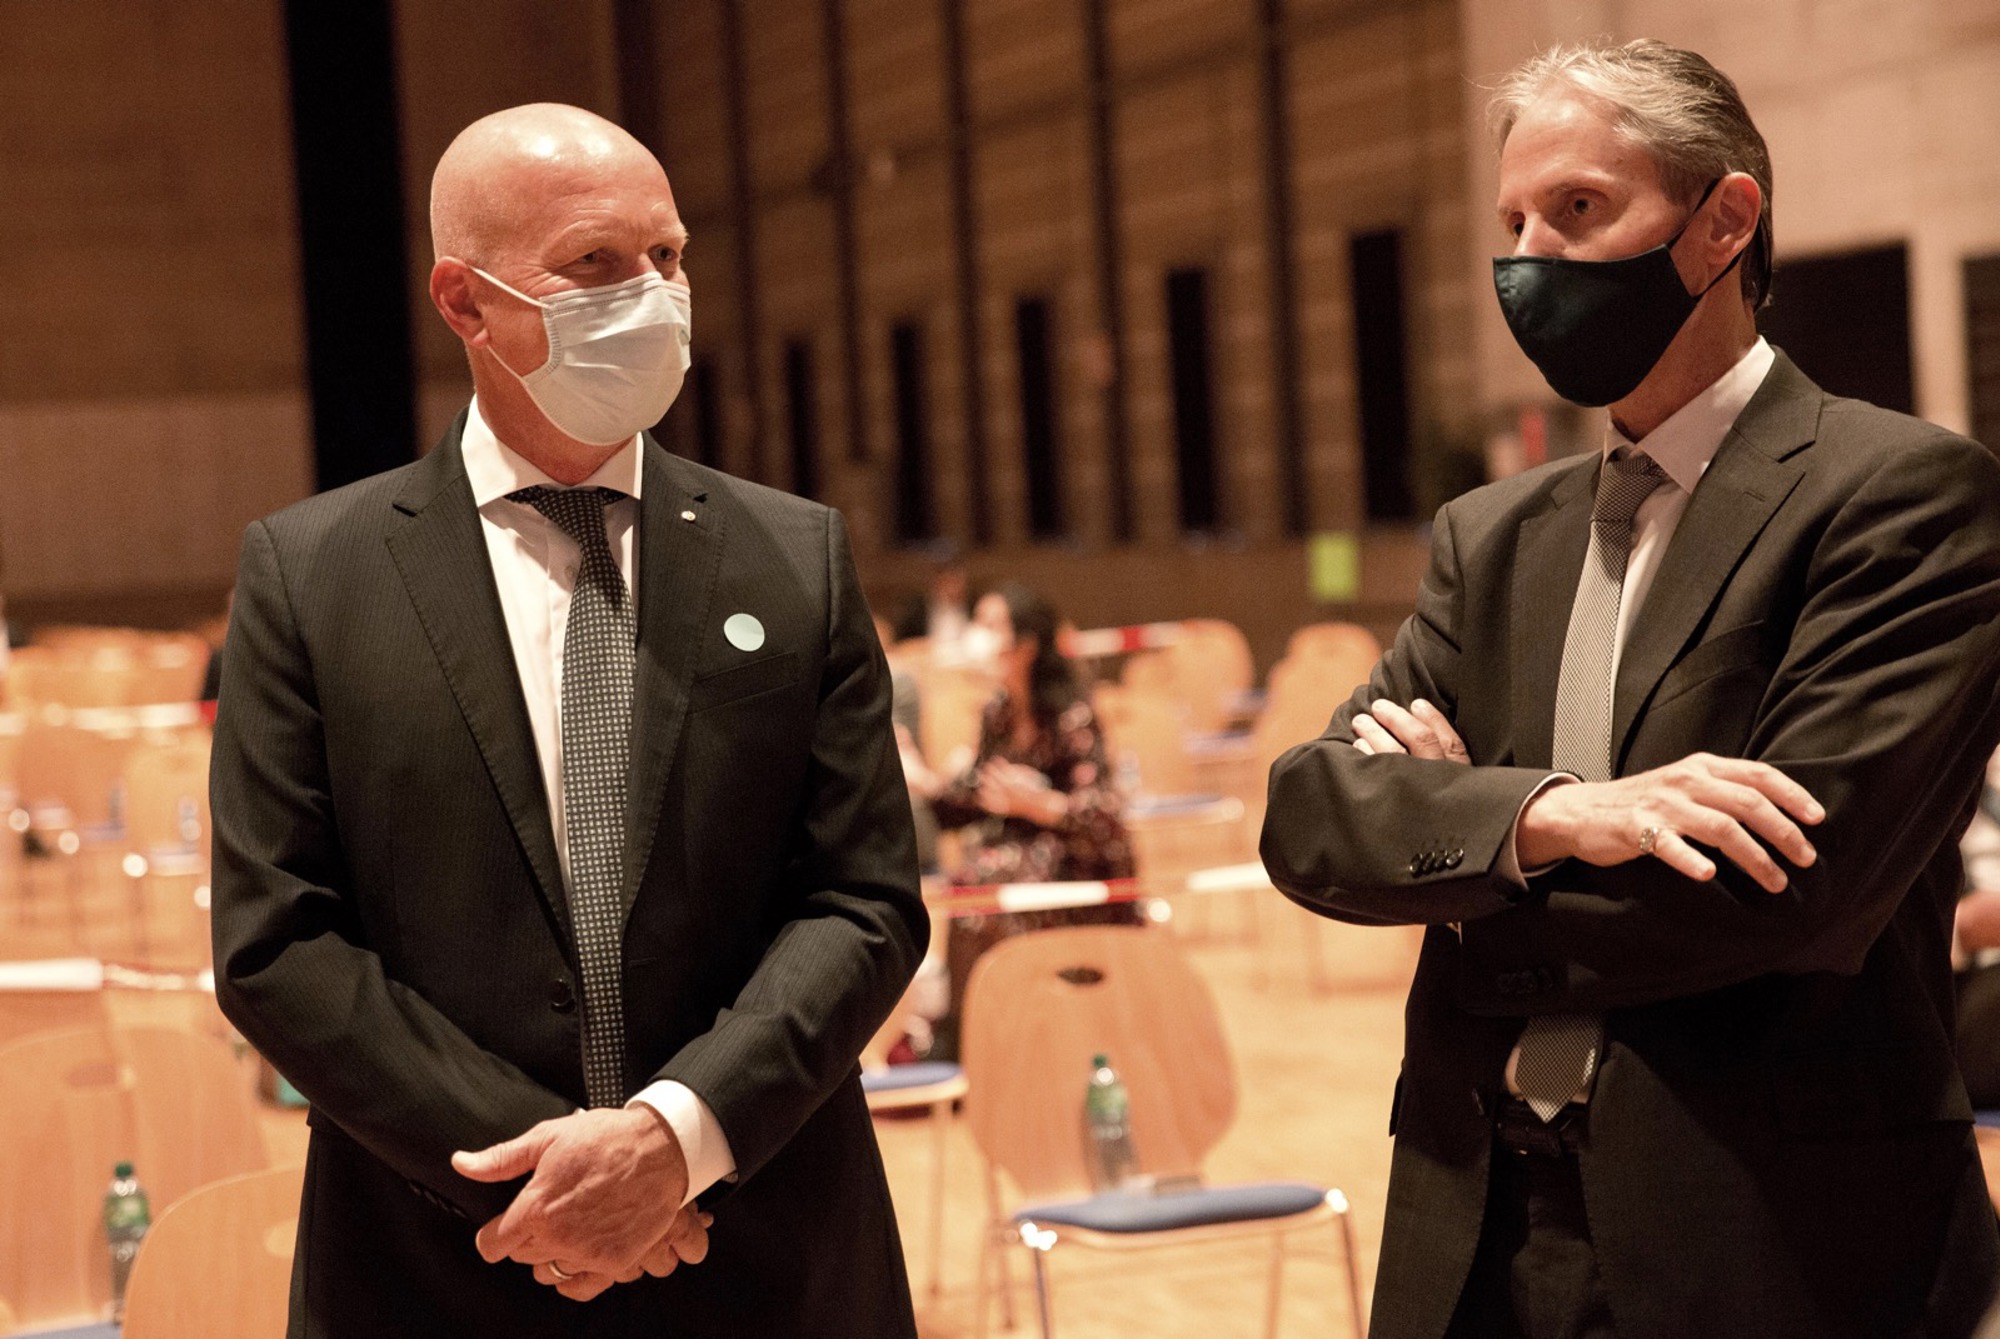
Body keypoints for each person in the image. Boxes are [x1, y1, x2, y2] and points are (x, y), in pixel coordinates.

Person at [1260, 40, 2000, 1339]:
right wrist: (1551, 817)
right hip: (1478, 1226)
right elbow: (1310, 817)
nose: (1528, 257)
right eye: (1512, 221)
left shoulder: (1900, 497)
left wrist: (1460, 864)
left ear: (1723, 221)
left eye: (1577, 208)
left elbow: (1787, 891)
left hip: (1768, 1237)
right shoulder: (1488, 538)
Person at [209, 103, 927, 1338]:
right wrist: (559, 1180)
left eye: (667, 256)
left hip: (767, 1248)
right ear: (465, 302)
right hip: (442, 1257)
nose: (649, 292)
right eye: (594, 262)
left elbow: (862, 900)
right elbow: (278, 942)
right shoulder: (311, 574)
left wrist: (672, 1139)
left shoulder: (793, 555)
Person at [918, 583, 1138, 1047]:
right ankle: (968, 1038)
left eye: (992, 625)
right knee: (968, 886)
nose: (979, 636)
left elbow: (1105, 818)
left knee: (986, 883)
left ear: (1026, 645)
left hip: (1078, 865)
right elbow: (970, 801)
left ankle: (1022, 1033)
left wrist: (1042, 805)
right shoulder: (996, 713)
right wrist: (925, 783)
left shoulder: (1071, 712)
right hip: (1014, 857)